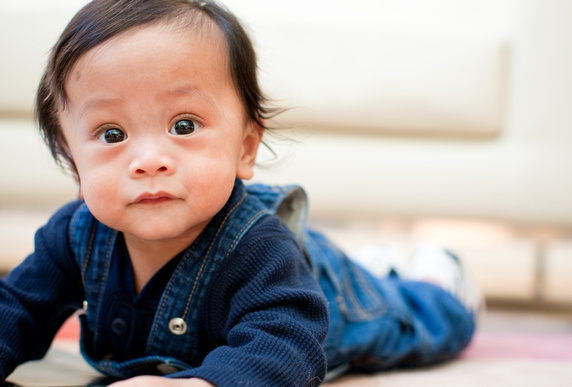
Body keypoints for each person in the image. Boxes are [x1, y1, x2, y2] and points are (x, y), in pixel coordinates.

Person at [0, 1, 483, 386]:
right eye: (111, 134)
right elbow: (17, 307)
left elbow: (284, 345)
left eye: (183, 125)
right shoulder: (73, 237)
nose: (148, 160)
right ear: (73, 164)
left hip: (335, 303)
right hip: (299, 272)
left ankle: (436, 282)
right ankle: (378, 265)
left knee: (416, 325)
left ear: (245, 149)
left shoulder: (257, 248)